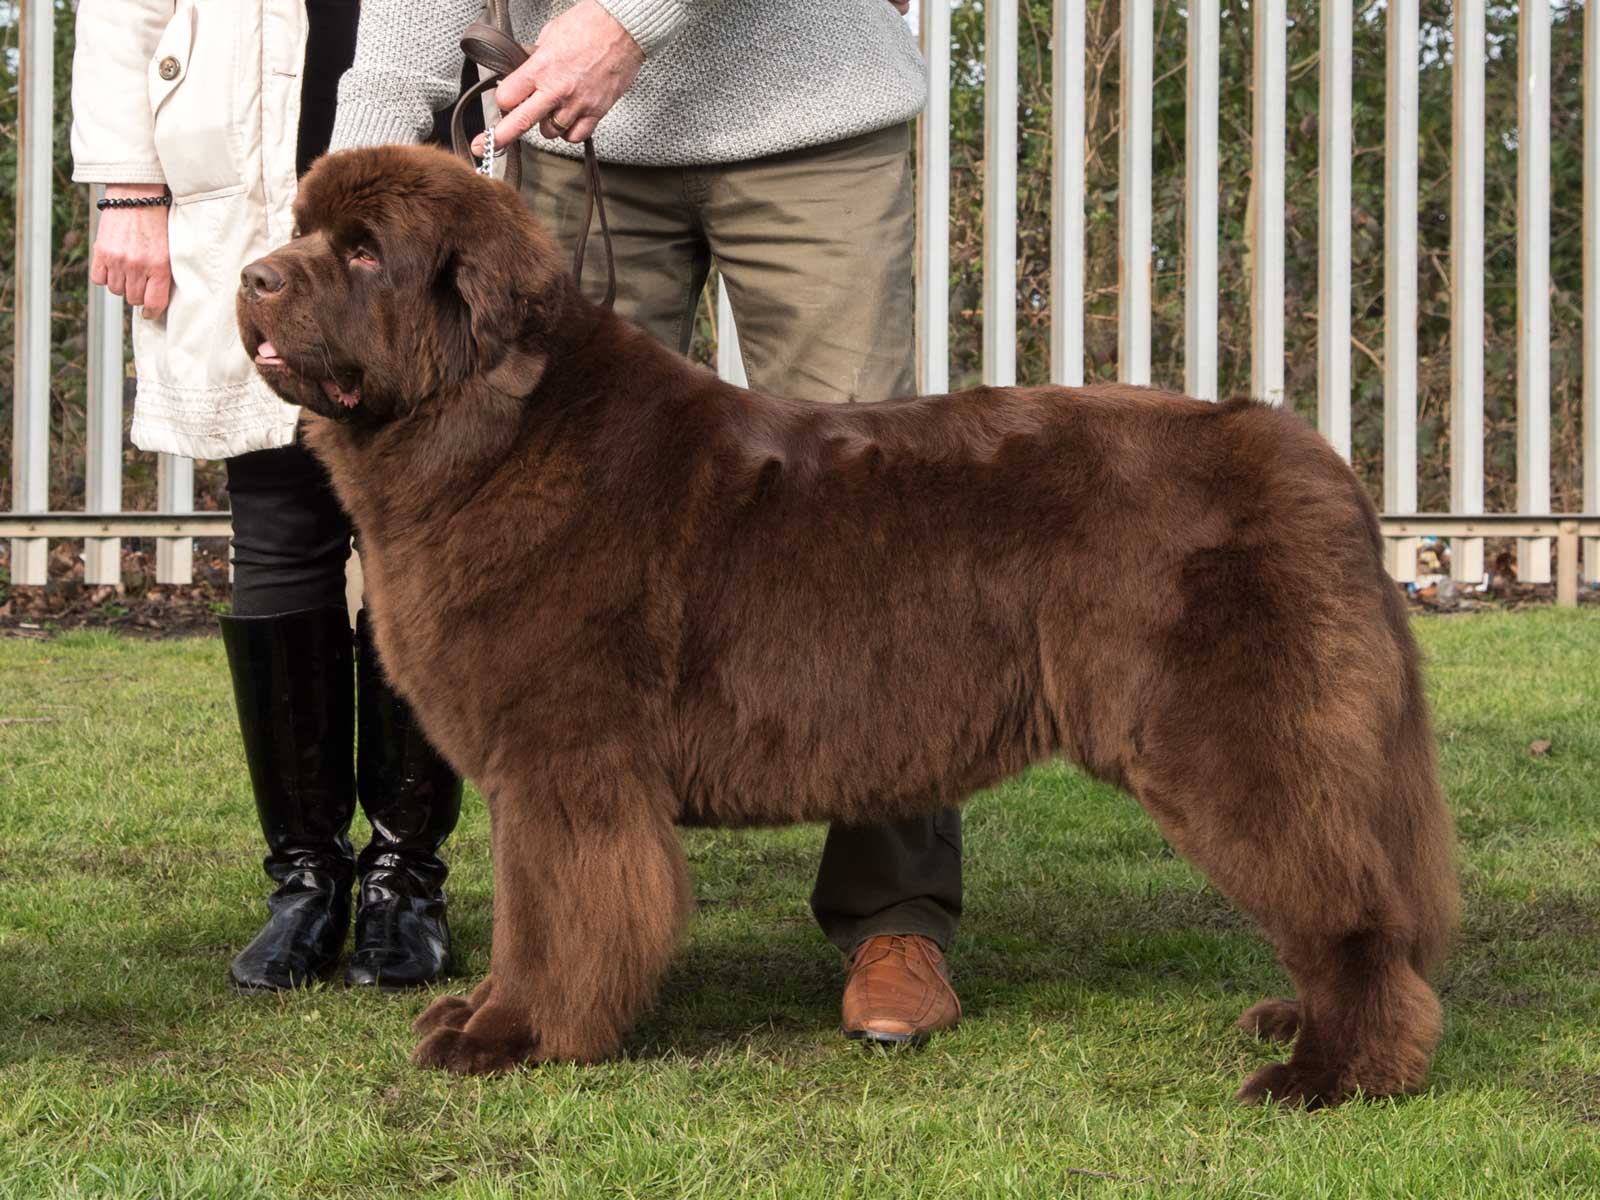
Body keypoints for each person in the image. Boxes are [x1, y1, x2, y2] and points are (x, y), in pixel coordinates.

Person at [330, 0, 964, 1044]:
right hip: (574, 141)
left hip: (810, 115)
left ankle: (895, 919)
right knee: (549, 593)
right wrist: (349, 194)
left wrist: (630, 20)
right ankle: (566, 957)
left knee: (870, 531)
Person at [70, 0, 463, 992]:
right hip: (241, 171)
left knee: (425, 552)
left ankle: (405, 878)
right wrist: (127, 188)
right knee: (281, 529)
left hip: (423, 195)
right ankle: (305, 878)